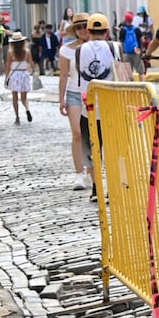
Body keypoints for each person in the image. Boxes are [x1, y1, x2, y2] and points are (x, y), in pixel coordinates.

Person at [77, 13, 116, 201]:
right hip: (111, 106)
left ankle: (96, 188)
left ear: (89, 31)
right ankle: (112, 187)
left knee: (92, 149)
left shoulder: (79, 50)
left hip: (89, 107)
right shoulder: (115, 47)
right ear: (107, 32)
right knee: (112, 149)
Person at [58, 12, 90, 191]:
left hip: (95, 94)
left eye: (85, 26)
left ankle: (93, 171)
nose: (83, 30)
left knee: (93, 135)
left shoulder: (98, 46)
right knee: (77, 133)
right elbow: (63, 75)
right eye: (78, 27)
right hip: (74, 94)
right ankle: (79, 173)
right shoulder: (66, 50)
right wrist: (61, 98)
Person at [4, 31, 36, 125]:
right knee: (24, 97)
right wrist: (32, 70)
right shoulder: (26, 52)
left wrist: (6, 78)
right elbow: (31, 64)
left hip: (14, 75)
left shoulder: (10, 53)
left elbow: (8, 66)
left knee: (15, 97)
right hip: (24, 74)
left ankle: (17, 117)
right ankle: (27, 109)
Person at [118, 11, 145, 81]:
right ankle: (143, 86)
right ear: (132, 20)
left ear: (125, 20)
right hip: (136, 52)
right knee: (141, 72)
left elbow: (120, 42)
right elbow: (143, 40)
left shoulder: (123, 30)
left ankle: (131, 87)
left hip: (126, 53)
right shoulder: (137, 29)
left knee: (128, 73)